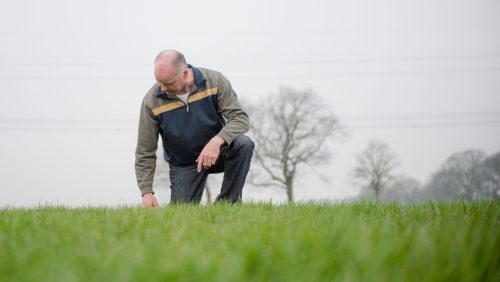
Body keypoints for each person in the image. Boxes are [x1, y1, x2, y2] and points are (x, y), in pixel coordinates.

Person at [135, 49, 254, 207]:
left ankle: (227, 204)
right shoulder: (151, 102)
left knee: (243, 144)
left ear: (185, 73)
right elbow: (145, 151)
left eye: (168, 83)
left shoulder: (215, 81)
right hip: (184, 164)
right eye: (159, 82)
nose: (162, 88)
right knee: (181, 215)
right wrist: (146, 192)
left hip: (216, 153)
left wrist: (217, 141)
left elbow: (240, 119)